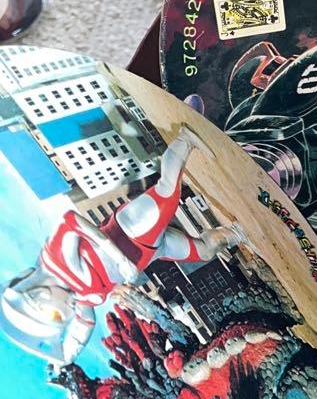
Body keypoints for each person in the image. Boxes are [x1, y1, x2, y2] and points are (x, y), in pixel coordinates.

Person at [1, 124, 241, 364]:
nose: (66, 313)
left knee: (167, 192)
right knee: (205, 250)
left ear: (37, 298)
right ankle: (238, 233)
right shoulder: (81, 299)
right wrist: (67, 355)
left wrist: (118, 258)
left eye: (57, 315)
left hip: (131, 229)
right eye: (63, 320)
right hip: (149, 253)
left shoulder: (56, 260)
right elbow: (84, 326)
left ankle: (185, 139)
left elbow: (71, 222)